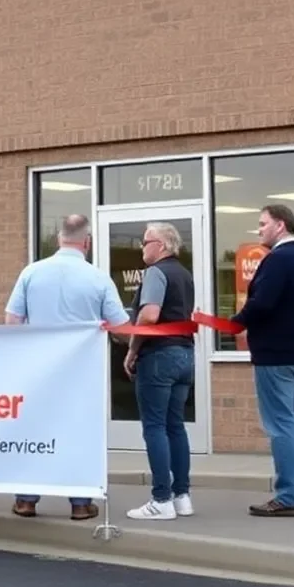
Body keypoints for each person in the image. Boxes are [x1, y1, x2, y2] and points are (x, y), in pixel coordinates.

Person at [4, 213, 130, 521]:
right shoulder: (98, 278)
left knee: (35, 433)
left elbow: (12, 322)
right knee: (80, 435)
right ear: (87, 242)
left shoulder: (31, 273)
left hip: (39, 371)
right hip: (82, 374)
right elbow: (124, 330)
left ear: (59, 238)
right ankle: (80, 503)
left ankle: (26, 500)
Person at [232, 203, 294, 517]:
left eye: (263, 224)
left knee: (281, 424)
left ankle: (287, 496)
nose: (259, 230)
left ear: (280, 225)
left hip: (276, 355)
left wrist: (236, 322)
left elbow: (262, 304)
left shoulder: (278, 261)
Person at [124, 221, 196, 522]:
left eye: (145, 241)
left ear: (162, 246)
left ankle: (161, 499)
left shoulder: (156, 273)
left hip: (158, 356)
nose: (142, 247)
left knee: (154, 427)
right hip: (184, 355)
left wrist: (132, 348)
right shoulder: (184, 274)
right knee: (175, 426)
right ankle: (182, 497)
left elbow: (150, 315)